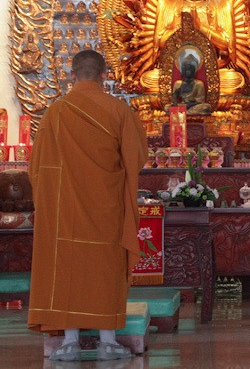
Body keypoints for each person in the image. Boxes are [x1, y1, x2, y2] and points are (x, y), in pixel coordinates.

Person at [28, 50, 148, 362]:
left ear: (72, 75)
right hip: (106, 206)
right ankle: (109, 341)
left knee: (69, 264)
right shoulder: (119, 111)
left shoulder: (55, 113)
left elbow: (37, 167)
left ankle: (69, 341)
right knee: (105, 265)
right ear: (104, 75)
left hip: (64, 209)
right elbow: (136, 158)